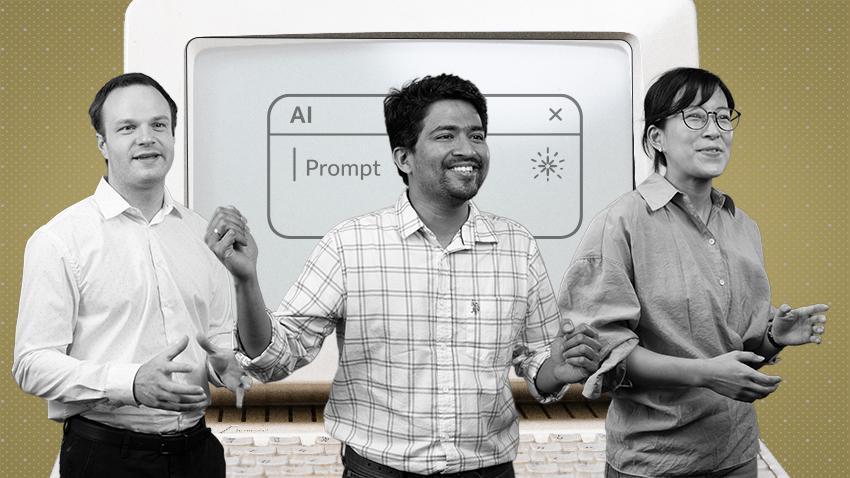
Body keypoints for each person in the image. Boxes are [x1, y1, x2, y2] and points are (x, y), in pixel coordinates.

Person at [206, 74, 602, 477]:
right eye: (446, 136)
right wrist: (246, 281)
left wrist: (558, 370)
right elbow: (275, 357)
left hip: (489, 470)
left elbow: (538, 362)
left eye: (477, 136)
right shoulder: (350, 245)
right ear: (403, 158)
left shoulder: (517, 246)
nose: (468, 149)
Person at [558, 67, 829, 478]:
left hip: (736, 452)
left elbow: (739, 349)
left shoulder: (742, 226)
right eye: (695, 117)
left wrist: (774, 337)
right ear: (656, 138)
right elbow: (604, 353)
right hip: (653, 459)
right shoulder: (621, 222)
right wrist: (706, 374)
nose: (714, 131)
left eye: (722, 117)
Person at [13, 72, 249, 478]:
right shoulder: (59, 239)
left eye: (158, 125)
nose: (146, 138)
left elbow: (217, 346)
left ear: (172, 135)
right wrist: (131, 382)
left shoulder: (202, 235)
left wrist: (222, 368)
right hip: (105, 456)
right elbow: (31, 365)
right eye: (127, 128)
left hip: (199, 454)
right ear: (102, 143)